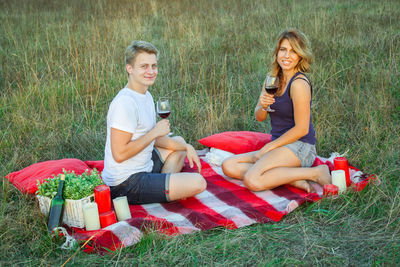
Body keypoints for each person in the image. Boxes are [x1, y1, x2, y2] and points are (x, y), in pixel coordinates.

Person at [222, 29, 331, 193]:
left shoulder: (299, 84)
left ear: (300, 55)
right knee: (228, 165)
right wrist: (263, 106)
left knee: (252, 180)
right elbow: (259, 117)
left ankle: (316, 172)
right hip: (279, 145)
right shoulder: (271, 79)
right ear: (277, 52)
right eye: (283, 50)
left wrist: (268, 148)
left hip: (301, 146)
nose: (287, 56)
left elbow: (302, 129)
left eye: (293, 51)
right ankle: (292, 179)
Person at [102, 40, 206, 204]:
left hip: (144, 166)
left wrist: (188, 147)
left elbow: (154, 138)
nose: (151, 71)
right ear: (129, 69)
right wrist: (154, 132)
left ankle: (159, 187)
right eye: (144, 66)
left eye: (154, 66)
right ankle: (163, 188)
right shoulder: (124, 104)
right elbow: (119, 154)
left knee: (179, 143)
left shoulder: (146, 96)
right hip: (124, 183)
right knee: (198, 183)